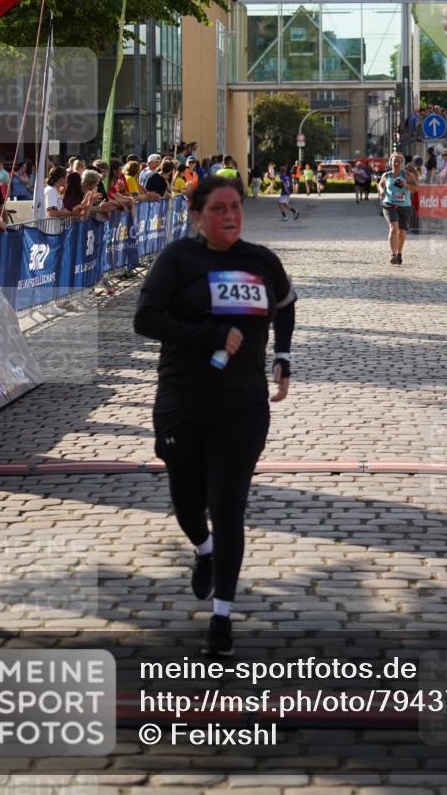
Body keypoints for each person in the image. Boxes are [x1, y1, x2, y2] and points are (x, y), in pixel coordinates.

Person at [134, 176, 297, 655]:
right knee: (188, 503)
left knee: (228, 507)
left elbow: (286, 306)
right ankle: (202, 549)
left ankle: (222, 618)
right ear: (197, 214)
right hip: (183, 400)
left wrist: (282, 356)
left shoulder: (261, 260)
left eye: (236, 207)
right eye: (219, 208)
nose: (230, 216)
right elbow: (145, 319)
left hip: (242, 404)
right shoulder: (178, 260)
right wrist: (208, 333)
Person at [379, 153, 418, 265]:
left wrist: (406, 185)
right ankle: (393, 254)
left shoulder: (407, 175)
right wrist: (382, 191)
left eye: (399, 161)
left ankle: (399, 253)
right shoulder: (386, 175)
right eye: (394, 161)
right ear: (390, 163)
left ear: (402, 163)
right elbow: (381, 184)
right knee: (393, 228)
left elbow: (416, 188)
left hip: (405, 206)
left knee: (401, 232)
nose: (396, 163)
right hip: (389, 204)